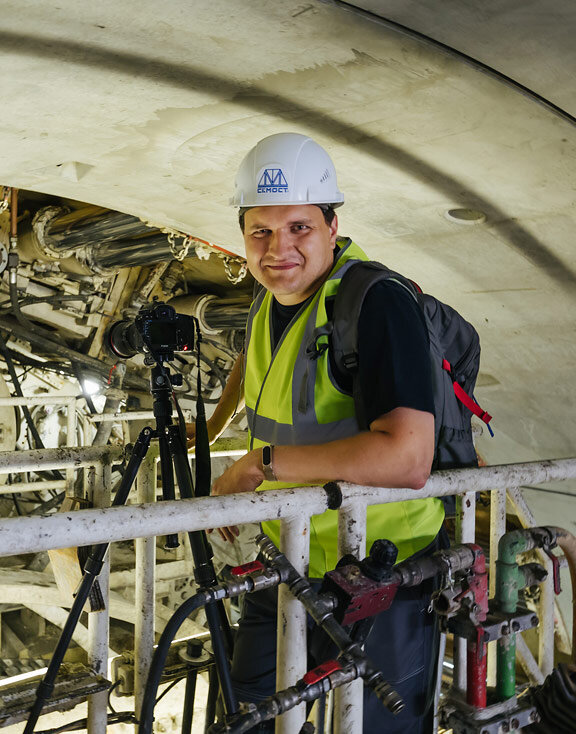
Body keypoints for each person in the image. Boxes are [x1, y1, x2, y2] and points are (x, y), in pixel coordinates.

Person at [195, 132, 447, 732]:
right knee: (250, 712)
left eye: (299, 228)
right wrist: (207, 427)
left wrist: (259, 465)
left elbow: (408, 457)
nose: (278, 248)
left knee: (375, 723)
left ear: (333, 225)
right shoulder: (270, 301)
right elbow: (258, 369)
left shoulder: (377, 303)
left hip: (383, 570)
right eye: (261, 231)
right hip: (289, 554)